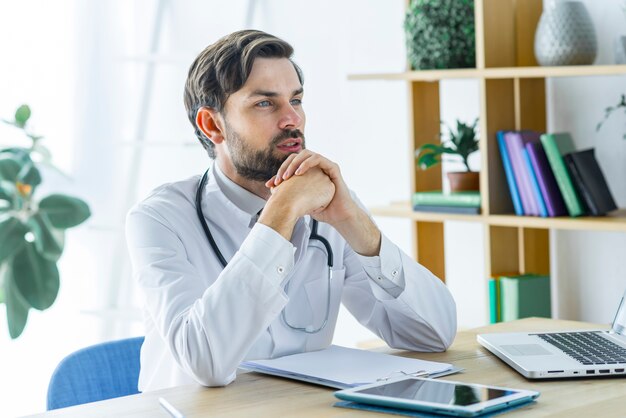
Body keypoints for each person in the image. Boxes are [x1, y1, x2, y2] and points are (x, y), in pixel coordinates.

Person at [126, 29, 456, 392]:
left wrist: (354, 223)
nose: (292, 120)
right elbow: (206, 363)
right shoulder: (158, 220)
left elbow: (435, 334)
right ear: (212, 124)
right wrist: (280, 212)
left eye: (295, 100)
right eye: (265, 103)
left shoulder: (328, 205)